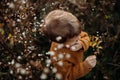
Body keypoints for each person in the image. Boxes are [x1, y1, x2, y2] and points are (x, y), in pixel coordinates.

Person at [42, 10, 96, 80]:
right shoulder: (59, 59)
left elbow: (85, 36)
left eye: (79, 35)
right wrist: (85, 66)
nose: (79, 38)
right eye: (75, 39)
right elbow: (68, 76)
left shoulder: (72, 33)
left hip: (80, 59)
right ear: (61, 43)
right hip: (78, 73)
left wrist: (82, 44)